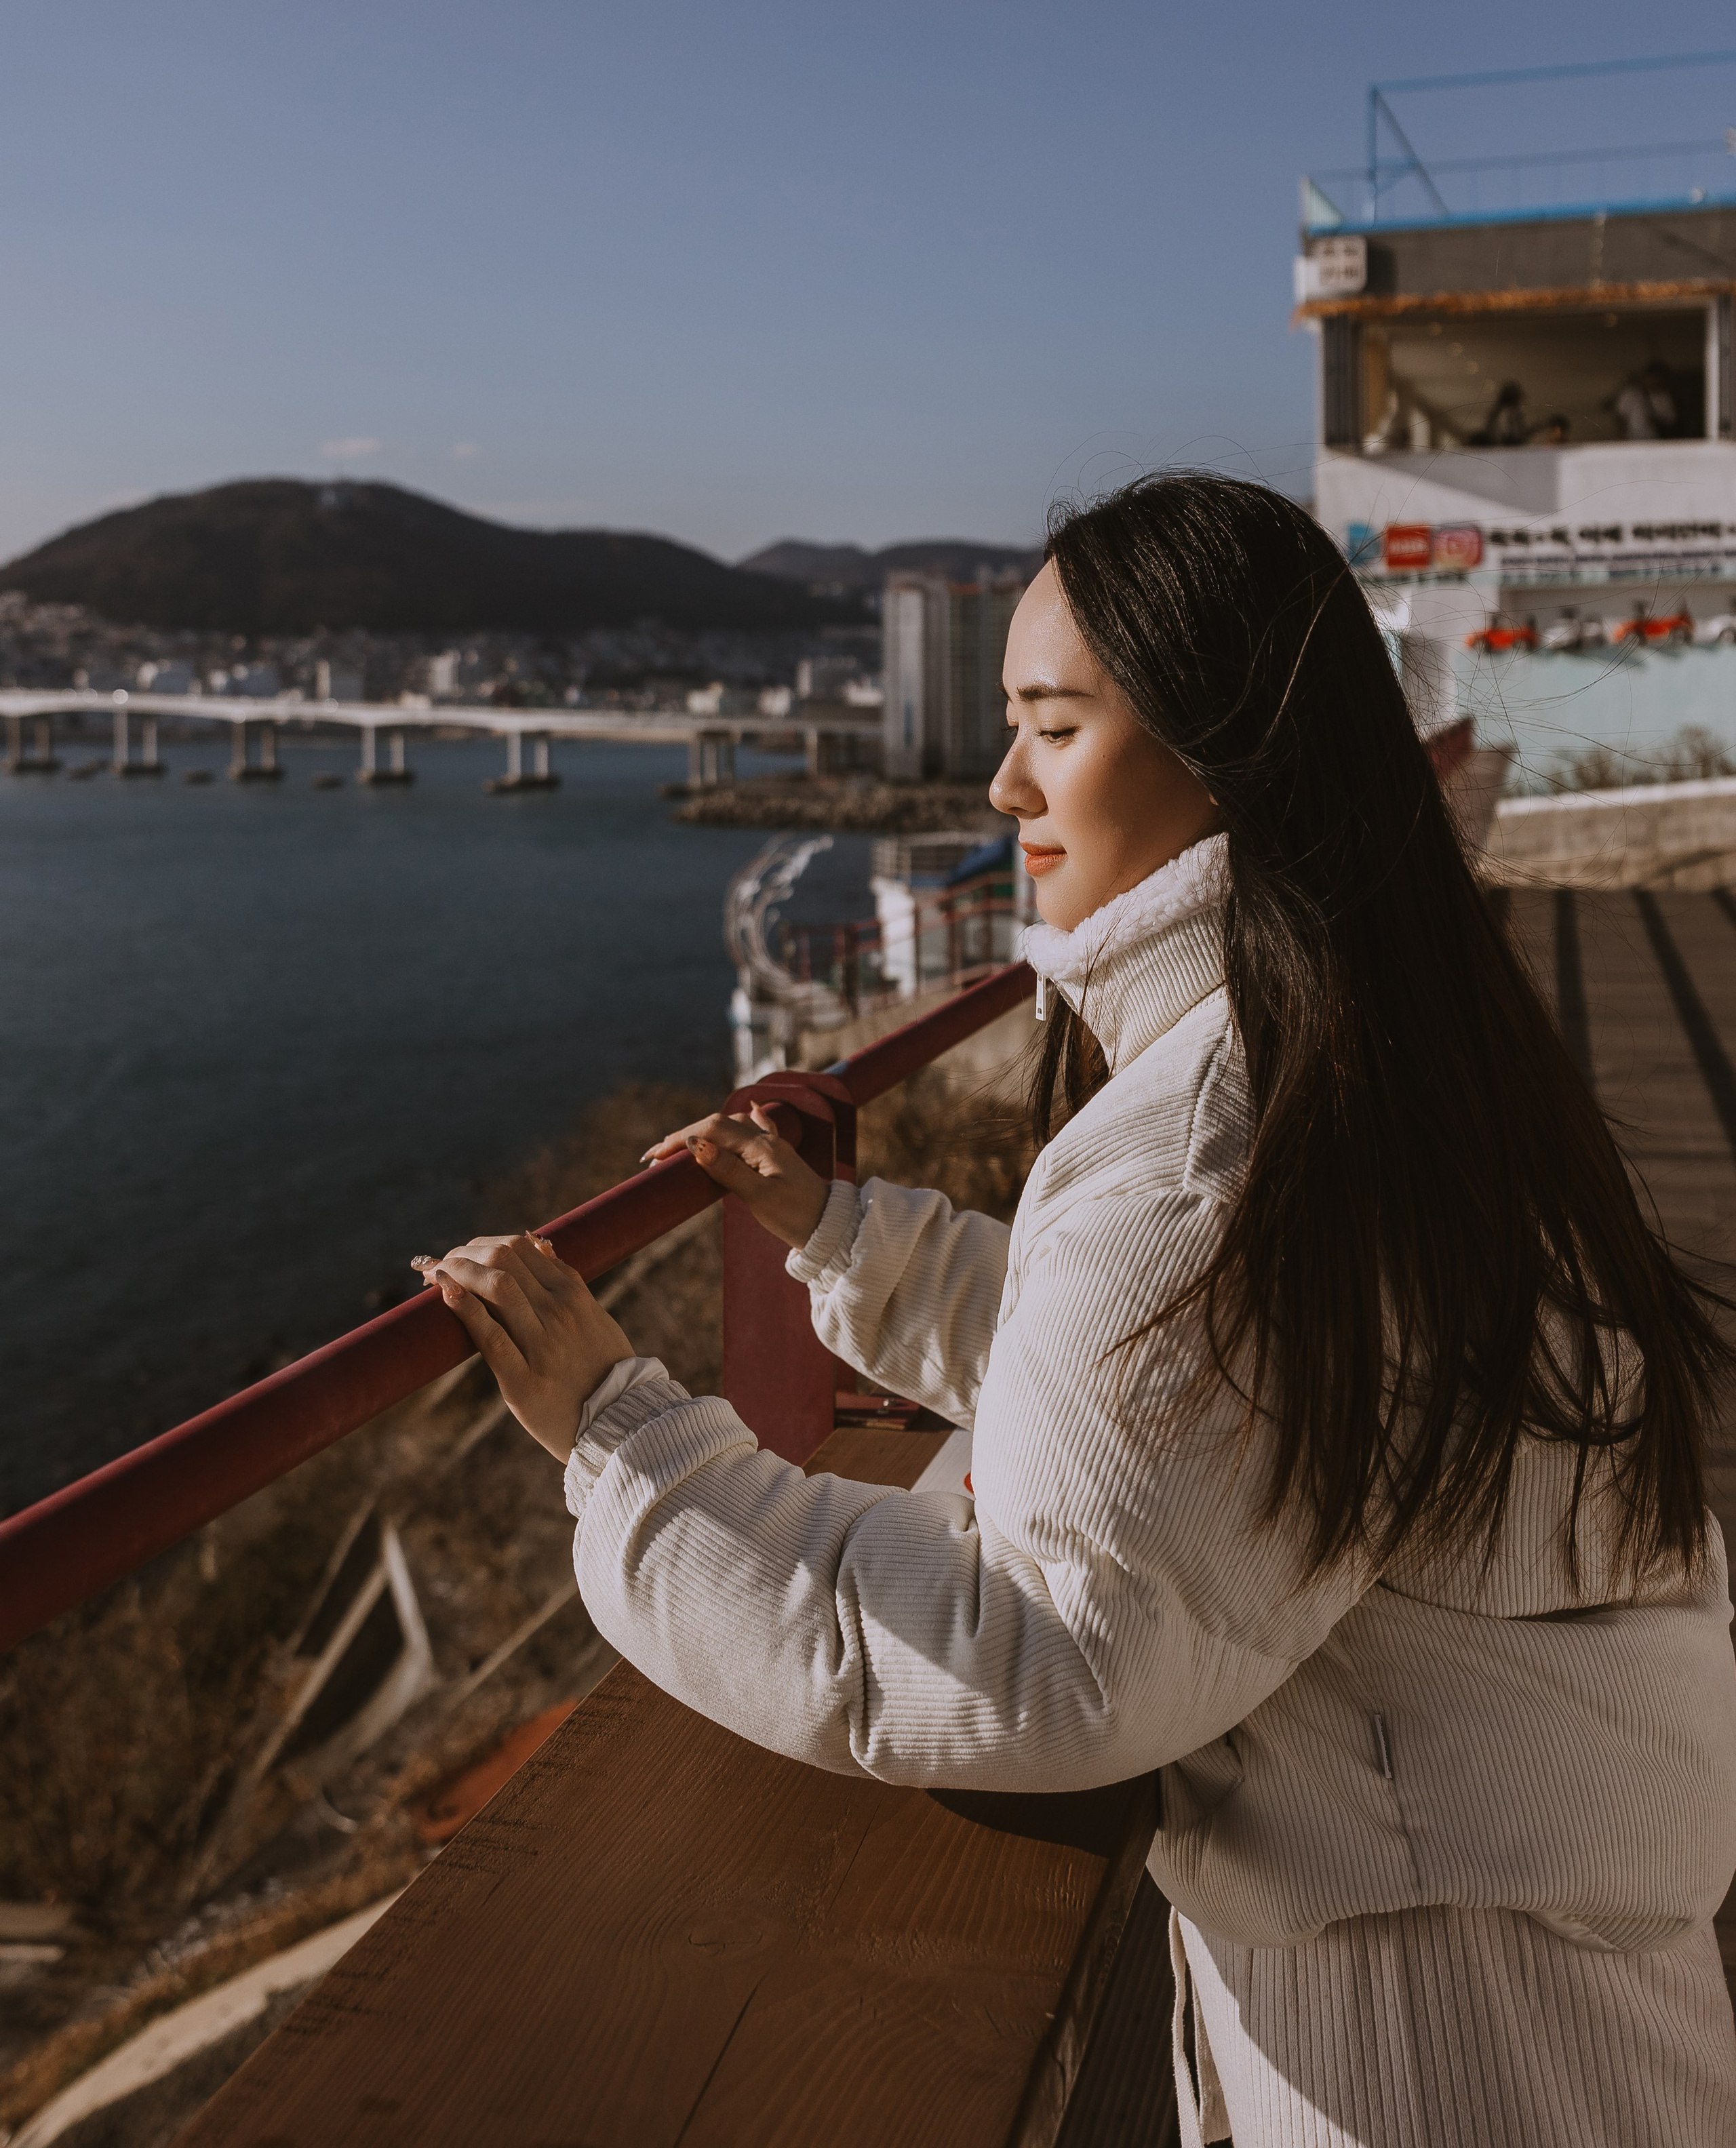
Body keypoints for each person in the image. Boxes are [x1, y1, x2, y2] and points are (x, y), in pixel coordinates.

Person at [420, 474, 1736, 2147]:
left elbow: (1043, 1658)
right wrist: (852, 1240)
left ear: (1223, 753)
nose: (1003, 784)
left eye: (1052, 725)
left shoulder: (1214, 1137)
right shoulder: (1368, 1050)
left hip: (1414, 2025)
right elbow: (1197, 1390)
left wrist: (627, 1445)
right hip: (1535, 1933)